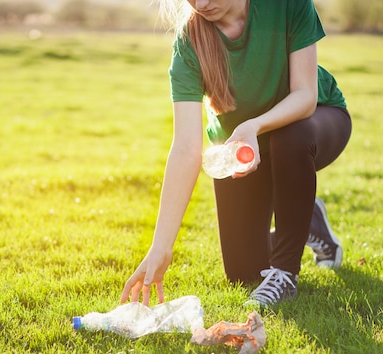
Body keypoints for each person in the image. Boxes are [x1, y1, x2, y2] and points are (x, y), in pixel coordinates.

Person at [121, 0, 352, 307]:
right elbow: (187, 148)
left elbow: (305, 96)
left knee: (289, 138)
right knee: (244, 272)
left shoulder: (286, 5)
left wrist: (254, 126)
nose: (201, 4)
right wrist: (160, 246)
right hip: (239, 152)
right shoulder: (189, 43)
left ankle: (285, 273)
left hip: (312, 125)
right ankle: (306, 219)